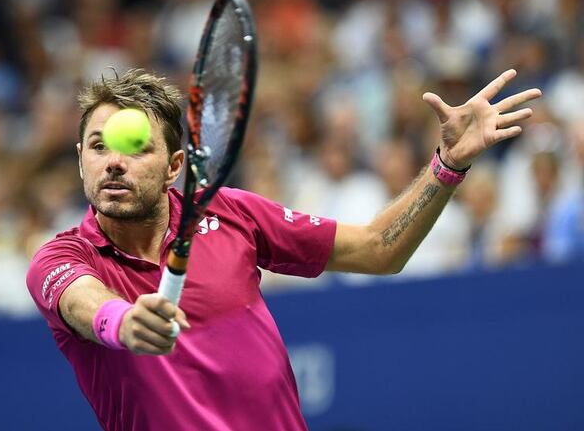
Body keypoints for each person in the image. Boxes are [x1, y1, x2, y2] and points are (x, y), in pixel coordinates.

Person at [26, 68, 540, 431]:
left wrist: (447, 163)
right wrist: (124, 323)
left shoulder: (229, 212)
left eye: (135, 147)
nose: (113, 162)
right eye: (98, 147)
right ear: (79, 160)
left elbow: (379, 249)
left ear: (174, 165)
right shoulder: (63, 259)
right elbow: (83, 302)